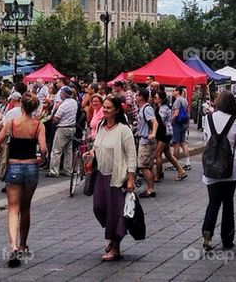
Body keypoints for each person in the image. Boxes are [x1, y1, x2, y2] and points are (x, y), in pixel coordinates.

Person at [0, 92, 47, 265]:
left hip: (14, 165)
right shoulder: (38, 126)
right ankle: (23, 244)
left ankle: (13, 246)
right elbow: (44, 148)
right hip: (31, 166)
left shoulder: (11, 124)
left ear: (21, 106)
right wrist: (42, 159)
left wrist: (5, 151)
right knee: (26, 207)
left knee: (13, 208)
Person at [88, 94, 136, 262]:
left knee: (113, 213)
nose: (105, 110)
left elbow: (131, 155)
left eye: (108, 107)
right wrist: (91, 154)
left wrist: (131, 178)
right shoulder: (101, 126)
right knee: (98, 207)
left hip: (117, 177)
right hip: (101, 174)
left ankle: (113, 245)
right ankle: (113, 239)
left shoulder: (124, 130)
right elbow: (97, 145)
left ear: (116, 110)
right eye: (104, 107)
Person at [201, 90, 236, 251]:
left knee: (213, 202)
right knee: (228, 203)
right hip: (230, 167)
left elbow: (206, 139)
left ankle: (207, 233)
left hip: (211, 166)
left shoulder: (208, 118)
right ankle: (227, 239)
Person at [153, 87, 187, 182]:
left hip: (164, 133)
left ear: (160, 99)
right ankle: (180, 170)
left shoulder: (163, 109)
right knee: (168, 154)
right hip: (165, 133)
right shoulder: (160, 108)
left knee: (158, 154)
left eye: (156, 97)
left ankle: (157, 175)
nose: (154, 99)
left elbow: (160, 121)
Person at [48, 87, 78, 178]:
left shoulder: (63, 105)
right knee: (68, 150)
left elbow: (56, 118)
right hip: (72, 127)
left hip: (63, 127)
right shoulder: (74, 102)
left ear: (64, 94)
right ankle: (68, 170)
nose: (60, 95)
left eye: (61, 93)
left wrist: (54, 114)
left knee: (56, 150)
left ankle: (54, 171)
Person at [135, 88, 158, 197]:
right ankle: (151, 187)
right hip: (145, 139)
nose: (135, 97)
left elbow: (154, 122)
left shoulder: (146, 108)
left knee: (143, 166)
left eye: (137, 95)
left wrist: (153, 133)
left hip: (146, 140)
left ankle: (150, 189)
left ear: (141, 97)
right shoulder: (142, 108)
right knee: (148, 166)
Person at [171, 86, 191, 169]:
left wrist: (171, 120)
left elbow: (176, 113)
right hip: (184, 124)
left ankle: (175, 164)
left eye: (174, 90)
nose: (173, 92)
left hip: (178, 124)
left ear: (178, 92)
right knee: (183, 143)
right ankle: (187, 162)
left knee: (176, 144)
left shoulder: (177, 101)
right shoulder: (185, 100)